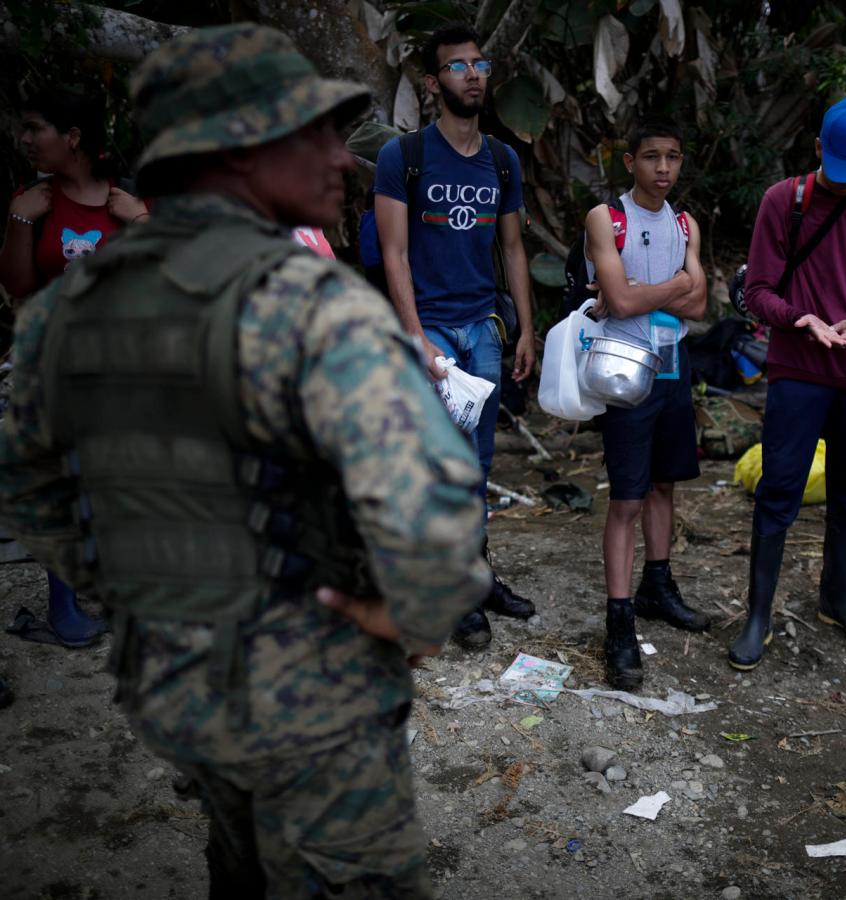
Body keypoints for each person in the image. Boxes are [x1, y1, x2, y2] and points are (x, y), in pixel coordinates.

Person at [0, 24, 491, 897]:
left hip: (173, 682)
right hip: (317, 695)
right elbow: (435, 526)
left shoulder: (66, 312)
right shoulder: (313, 307)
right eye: (307, 137)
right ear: (232, 155)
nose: (339, 161)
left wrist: (145, 596)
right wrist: (410, 618)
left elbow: (35, 495)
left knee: (240, 855)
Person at [364, 22, 537, 650]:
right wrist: (415, 336)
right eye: (459, 66)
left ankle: (478, 576)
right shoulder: (403, 158)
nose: (473, 74)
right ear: (434, 82)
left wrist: (525, 328)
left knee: (478, 462)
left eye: (481, 64)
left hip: (484, 330)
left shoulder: (502, 159)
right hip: (430, 329)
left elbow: (513, 248)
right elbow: (394, 253)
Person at [730, 98, 846, 670]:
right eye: (840, 168)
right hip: (797, 371)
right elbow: (758, 289)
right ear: (818, 149)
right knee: (779, 489)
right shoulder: (784, 201)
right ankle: (757, 614)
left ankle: (839, 597)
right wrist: (800, 319)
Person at [0, 89, 149, 648]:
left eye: (36, 127)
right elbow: (16, 286)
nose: (26, 137)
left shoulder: (127, 199)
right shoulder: (33, 201)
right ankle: (62, 606)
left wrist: (141, 222)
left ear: (74, 138)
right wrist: (19, 219)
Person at [583, 118, 709, 690]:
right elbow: (621, 297)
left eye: (673, 156)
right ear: (629, 160)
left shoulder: (685, 224)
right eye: (652, 156)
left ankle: (657, 585)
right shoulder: (607, 219)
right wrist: (671, 290)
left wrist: (642, 296)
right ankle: (619, 622)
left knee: (664, 485)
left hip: (673, 372)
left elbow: (701, 303)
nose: (663, 167)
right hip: (624, 373)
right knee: (626, 500)